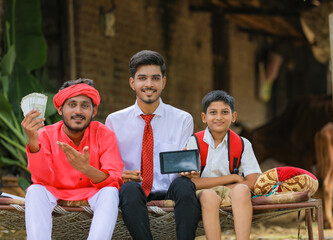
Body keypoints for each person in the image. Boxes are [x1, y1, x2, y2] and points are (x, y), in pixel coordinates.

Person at [105, 50, 201, 240]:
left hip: (170, 190)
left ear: (163, 82)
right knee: (129, 189)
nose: (149, 84)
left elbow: (183, 164)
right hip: (132, 194)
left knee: (185, 185)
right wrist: (119, 175)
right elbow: (109, 166)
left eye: (155, 78)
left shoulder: (183, 119)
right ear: (132, 83)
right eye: (142, 78)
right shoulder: (114, 121)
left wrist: (189, 170)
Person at [21, 78, 124, 240]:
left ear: (94, 111)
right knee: (35, 191)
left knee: (110, 192)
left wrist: (86, 169)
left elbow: (114, 179)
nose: (78, 111)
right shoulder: (45, 134)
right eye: (72, 104)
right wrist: (33, 143)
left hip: (93, 193)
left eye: (84, 105)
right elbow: (40, 179)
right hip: (55, 191)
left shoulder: (105, 134)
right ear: (60, 109)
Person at [185, 90, 261, 240]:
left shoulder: (243, 144)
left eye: (224, 112)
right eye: (213, 112)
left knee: (243, 190)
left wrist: (225, 188)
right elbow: (192, 183)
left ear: (233, 117)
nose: (219, 117)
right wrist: (232, 177)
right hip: (203, 193)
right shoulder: (194, 142)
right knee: (209, 196)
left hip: (231, 191)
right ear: (204, 117)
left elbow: (252, 181)